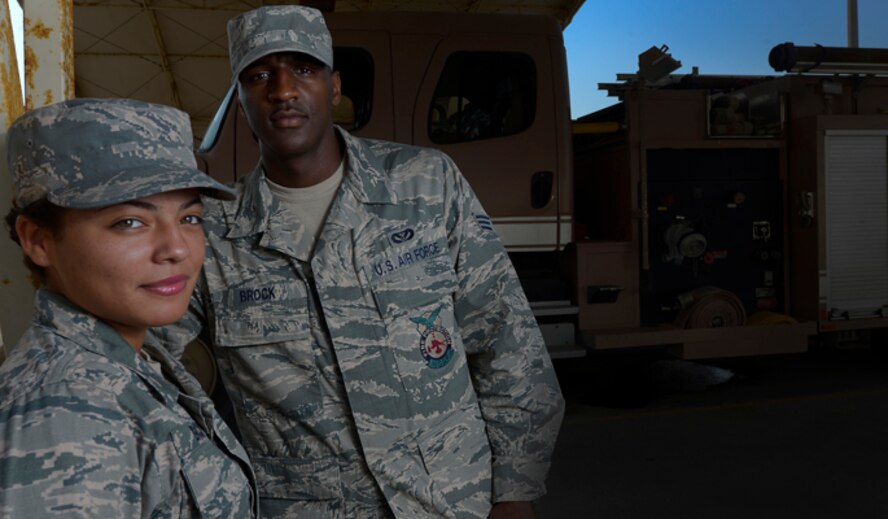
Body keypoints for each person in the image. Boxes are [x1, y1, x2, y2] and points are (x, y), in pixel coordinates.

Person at [154, 5, 565, 518]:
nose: (283, 90)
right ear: (240, 101)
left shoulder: (425, 185)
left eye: (303, 69)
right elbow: (146, 367)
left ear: (335, 87)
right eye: (259, 75)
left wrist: (515, 491)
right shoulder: (212, 231)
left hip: (452, 502)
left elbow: (506, 340)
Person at [0, 98, 259, 518]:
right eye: (129, 222)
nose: (176, 248)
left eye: (190, 218)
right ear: (38, 240)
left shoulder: (133, 360)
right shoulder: (65, 413)